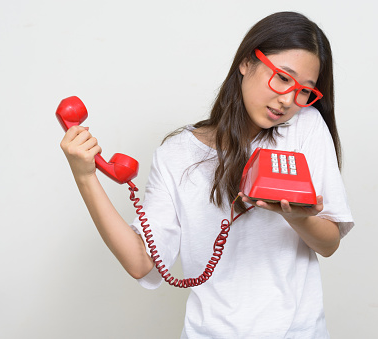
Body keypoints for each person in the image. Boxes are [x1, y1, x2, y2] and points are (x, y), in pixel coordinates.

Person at [60, 11, 354, 339]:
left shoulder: (305, 126)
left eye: (304, 91)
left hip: (296, 332)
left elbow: (328, 244)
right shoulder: (177, 154)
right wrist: (86, 176)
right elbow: (141, 263)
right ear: (246, 61)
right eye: (282, 78)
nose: (288, 100)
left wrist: (299, 218)